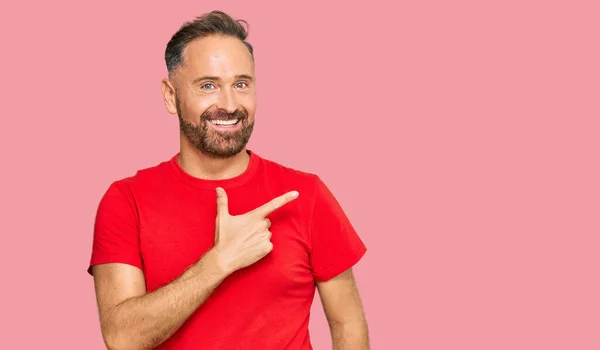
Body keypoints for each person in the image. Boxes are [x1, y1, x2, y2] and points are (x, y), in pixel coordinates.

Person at [88, 10, 369, 350]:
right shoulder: (125, 200)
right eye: (208, 85)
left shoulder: (306, 195)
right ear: (169, 95)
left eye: (241, 84)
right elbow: (122, 338)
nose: (230, 104)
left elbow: (347, 323)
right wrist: (218, 263)